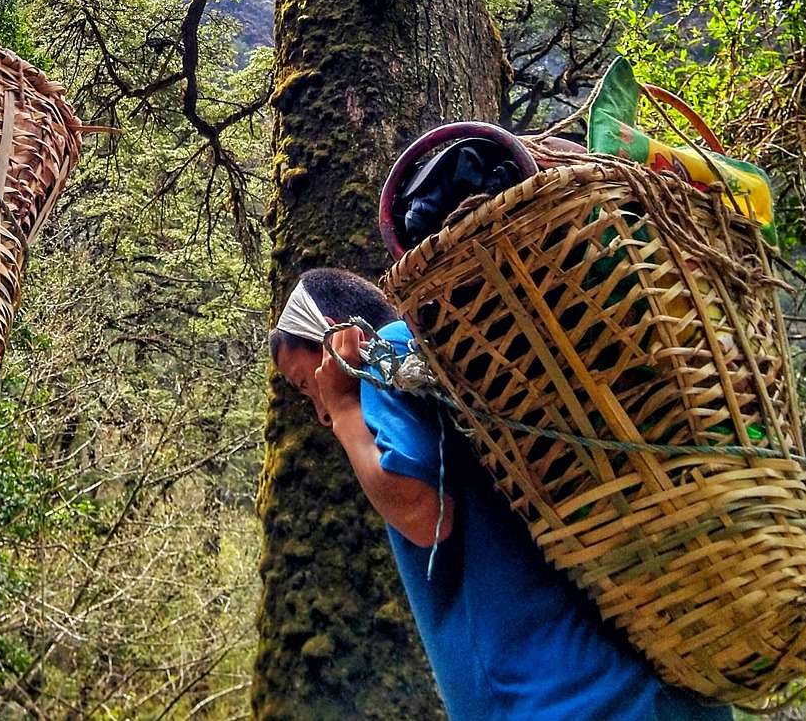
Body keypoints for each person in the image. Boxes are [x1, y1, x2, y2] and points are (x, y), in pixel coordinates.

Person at [270, 268, 733, 721]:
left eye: (306, 385)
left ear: (334, 340)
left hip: (556, 695)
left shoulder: (387, 353)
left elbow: (425, 515)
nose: (320, 414)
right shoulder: (446, 353)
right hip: (669, 683)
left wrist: (346, 406)